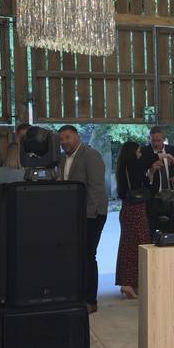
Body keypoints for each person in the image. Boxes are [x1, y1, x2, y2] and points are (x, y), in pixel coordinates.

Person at [57, 125, 108, 314]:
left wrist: (91, 214)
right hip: (73, 215)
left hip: (92, 214)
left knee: (88, 256)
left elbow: (96, 187)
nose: (63, 142)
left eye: (67, 137)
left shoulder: (90, 155)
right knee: (76, 257)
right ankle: (76, 296)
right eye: (61, 139)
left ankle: (90, 301)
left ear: (77, 137)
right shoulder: (62, 159)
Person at [115, 141, 152, 299]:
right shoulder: (134, 167)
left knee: (129, 245)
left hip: (127, 209)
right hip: (135, 209)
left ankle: (128, 282)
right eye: (138, 152)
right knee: (138, 244)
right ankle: (129, 283)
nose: (140, 154)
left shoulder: (123, 167)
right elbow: (143, 183)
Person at [137, 126, 174, 237]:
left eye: (159, 140)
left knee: (172, 229)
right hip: (152, 197)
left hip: (171, 197)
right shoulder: (144, 152)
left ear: (163, 139)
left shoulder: (173, 151)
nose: (156, 143)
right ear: (149, 139)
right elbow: (140, 176)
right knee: (151, 230)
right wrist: (151, 171)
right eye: (153, 140)